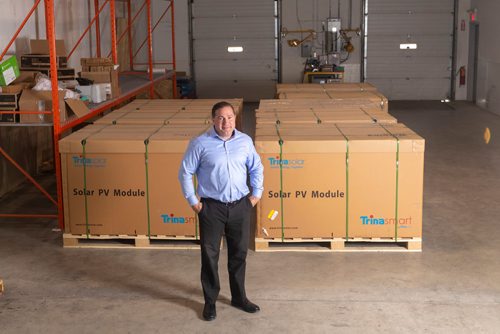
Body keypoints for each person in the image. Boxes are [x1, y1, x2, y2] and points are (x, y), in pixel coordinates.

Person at [178, 101, 264, 321]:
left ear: (235, 118)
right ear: (213, 120)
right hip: (211, 209)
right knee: (210, 256)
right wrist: (194, 202)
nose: (226, 122)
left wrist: (256, 195)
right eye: (221, 118)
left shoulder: (245, 141)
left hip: (240, 206)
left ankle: (239, 297)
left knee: (239, 254)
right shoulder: (200, 143)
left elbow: (256, 167)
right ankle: (210, 302)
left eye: (230, 117)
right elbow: (185, 172)